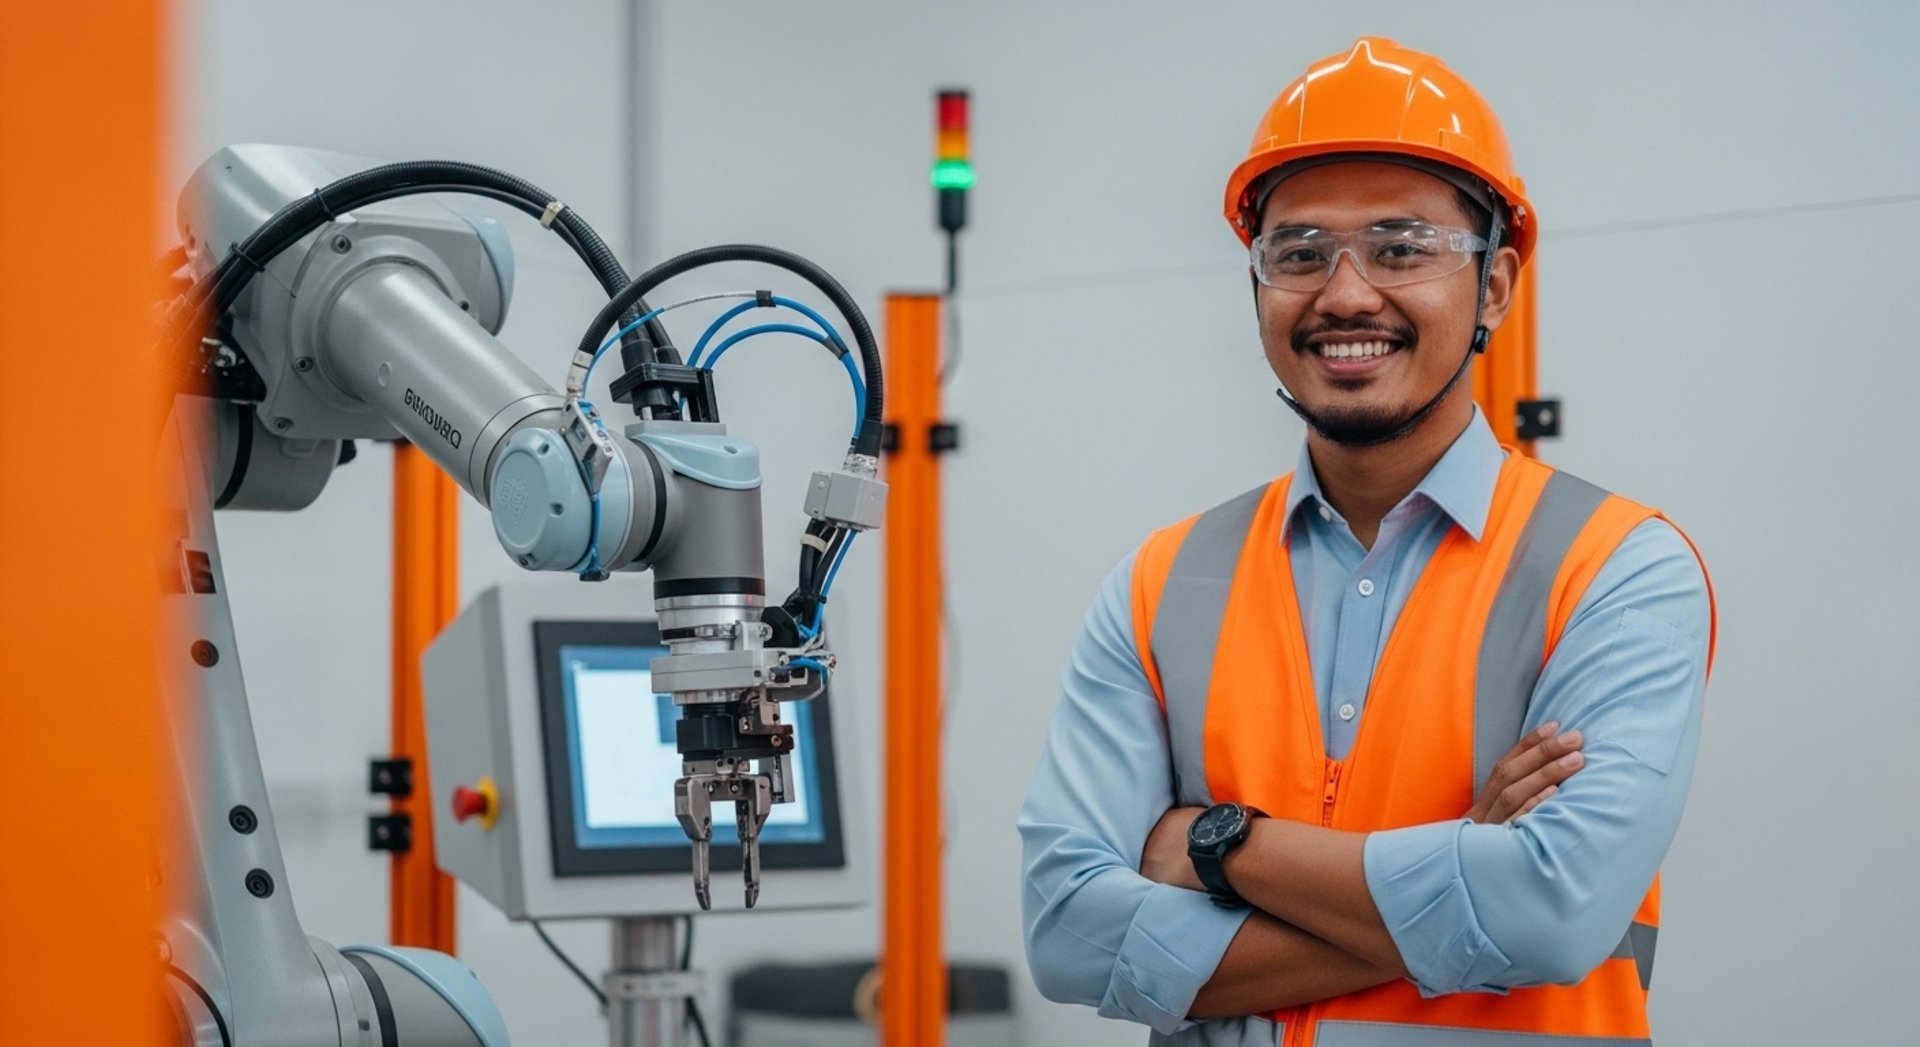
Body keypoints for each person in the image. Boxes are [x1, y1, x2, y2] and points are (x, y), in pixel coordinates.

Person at [1018, 37, 1716, 1047]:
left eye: (1401, 248)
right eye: (1299, 253)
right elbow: (1066, 937)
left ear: (1496, 285)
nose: (1345, 294)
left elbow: (1550, 914)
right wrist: (1461, 874)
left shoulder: (1616, 569)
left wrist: (1217, 845)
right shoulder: (1163, 584)